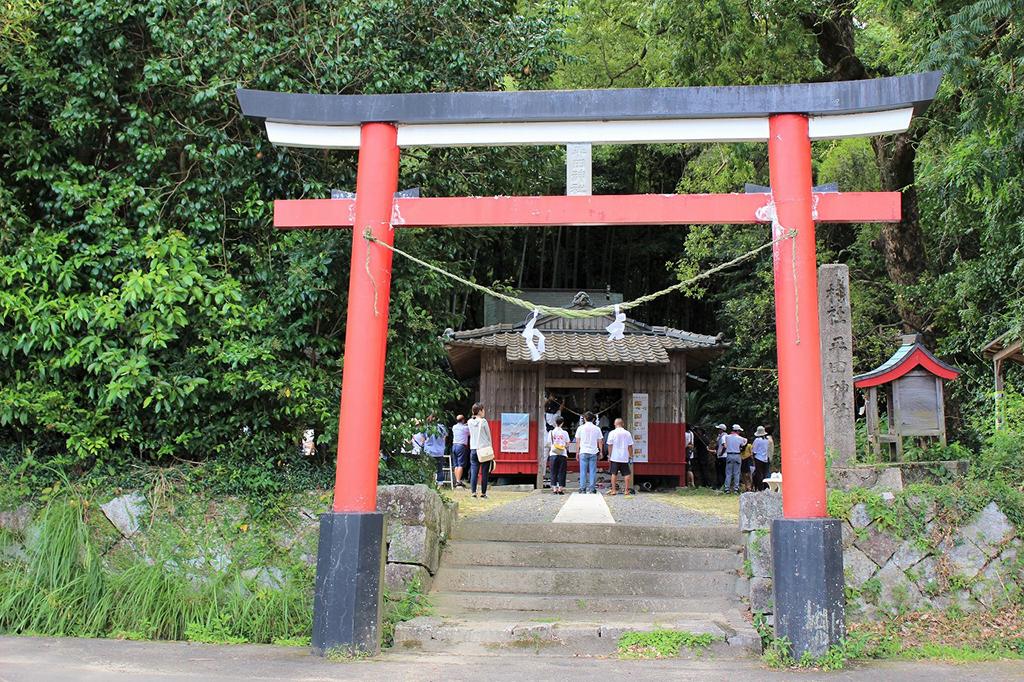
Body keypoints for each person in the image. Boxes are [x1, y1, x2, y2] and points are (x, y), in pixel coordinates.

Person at [468, 403, 493, 498]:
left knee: (474, 471)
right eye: (483, 410)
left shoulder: (470, 422)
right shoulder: (483, 422)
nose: (484, 412)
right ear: (480, 411)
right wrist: (490, 447)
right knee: (484, 472)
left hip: (473, 449)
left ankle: (473, 493)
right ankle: (483, 493)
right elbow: (488, 436)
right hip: (483, 450)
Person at [575, 411, 603, 494]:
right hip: (593, 451)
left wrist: (577, 452)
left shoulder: (580, 428)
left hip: (583, 451)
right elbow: (600, 441)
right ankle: (592, 488)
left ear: (584, 419)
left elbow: (577, 441)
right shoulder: (597, 428)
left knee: (583, 471)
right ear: (593, 419)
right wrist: (601, 451)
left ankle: (582, 488)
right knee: (592, 471)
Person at [605, 418, 635, 496]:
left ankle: (614, 490)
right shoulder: (627, 433)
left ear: (615, 424)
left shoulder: (612, 433)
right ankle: (626, 490)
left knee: (614, 473)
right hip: (624, 456)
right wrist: (631, 455)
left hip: (615, 456)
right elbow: (630, 446)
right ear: (623, 424)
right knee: (626, 473)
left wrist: (609, 455)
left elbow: (610, 445)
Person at [420, 416, 448, 486]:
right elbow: (444, 438)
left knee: (428, 469)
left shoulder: (426, 428)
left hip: (429, 451)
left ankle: (429, 483)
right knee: (439, 469)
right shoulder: (442, 427)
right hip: (439, 451)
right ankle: (440, 485)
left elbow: (423, 440)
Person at [546, 416, 570, 494]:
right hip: (562, 453)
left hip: (553, 453)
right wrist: (562, 446)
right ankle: (560, 488)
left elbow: (549, 443)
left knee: (553, 471)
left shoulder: (551, 432)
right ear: (562, 423)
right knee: (562, 471)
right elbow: (567, 443)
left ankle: (554, 488)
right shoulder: (565, 433)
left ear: (555, 423)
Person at [722, 424, 747, 494]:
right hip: (737, 455)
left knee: (728, 473)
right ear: (737, 431)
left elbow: (723, 444)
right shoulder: (740, 438)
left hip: (729, 455)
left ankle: (727, 489)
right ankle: (736, 489)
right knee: (737, 473)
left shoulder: (726, 437)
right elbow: (744, 443)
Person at [451, 414, 470, 488]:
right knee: (460, 464)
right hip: (461, 446)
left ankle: (457, 480)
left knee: (456, 465)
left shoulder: (454, 427)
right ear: (463, 420)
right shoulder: (465, 428)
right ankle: (458, 481)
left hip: (454, 445)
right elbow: (469, 433)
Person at [752, 425, 771, 491]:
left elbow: (754, 451)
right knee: (765, 474)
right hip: (765, 459)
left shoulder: (757, 440)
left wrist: (753, 457)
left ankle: (760, 488)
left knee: (759, 474)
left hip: (758, 458)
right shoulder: (767, 440)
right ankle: (766, 488)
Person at [713, 423, 728, 489]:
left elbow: (724, 447)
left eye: (719, 429)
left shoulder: (724, 437)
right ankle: (721, 484)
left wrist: (721, 453)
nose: (718, 430)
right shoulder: (720, 436)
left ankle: (721, 485)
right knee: (720, 471)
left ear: (722, 430)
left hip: (722, 457)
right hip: (721, 456)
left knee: (721, 471)